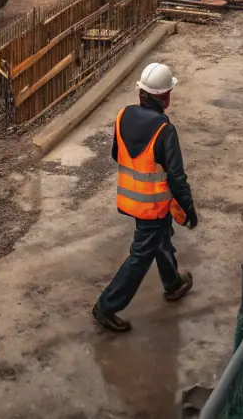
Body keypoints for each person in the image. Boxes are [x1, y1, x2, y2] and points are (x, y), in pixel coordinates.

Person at [93, 62, 196, 333]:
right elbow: (176, 176)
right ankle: (106, 305)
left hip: (132, 200)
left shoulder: (123, 115)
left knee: (160, 238)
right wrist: (188, 207)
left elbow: (117, 154)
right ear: (164, 97)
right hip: (153, 203)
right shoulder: (164, 130)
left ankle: (173, 283)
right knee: (141, 255)